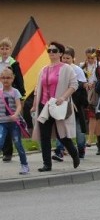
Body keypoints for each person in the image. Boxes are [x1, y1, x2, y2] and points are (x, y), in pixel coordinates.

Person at [31, 42, 81, 171]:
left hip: (59, 105)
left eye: (54, 50)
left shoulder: (66, 68)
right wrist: (35, 104)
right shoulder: (43, 69)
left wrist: (63, 97)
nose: (51, 53)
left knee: (61, 134)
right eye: (49, 50)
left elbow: (74, 85)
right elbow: (38, 88)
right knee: (44, 135)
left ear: (60, 53)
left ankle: (74, 153)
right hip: (44, 106)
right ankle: (47, 164)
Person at [0, 37, 25, 163]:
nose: (4, 51)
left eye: (6, 48)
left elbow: (19, 80)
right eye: (2, 48)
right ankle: (5, 150)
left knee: (9, 123)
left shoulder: (13, 63)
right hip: (0, 96)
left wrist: (22, 95)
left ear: (10, 50)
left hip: (10, 96)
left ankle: (9, 152)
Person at [0, 68, 28, 174]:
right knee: (0, 141)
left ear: (13, 79)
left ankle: (24, 165)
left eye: (8, 78)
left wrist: (16, 114)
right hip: (2, 123)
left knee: (18, 143)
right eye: (3, 78)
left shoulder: (15, 92)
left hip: (13, 123)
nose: (5, 80)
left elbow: (19, 105)